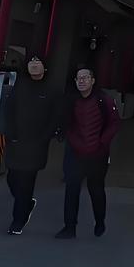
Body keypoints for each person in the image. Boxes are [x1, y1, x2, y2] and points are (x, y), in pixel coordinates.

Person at [54, 66, 118, 239]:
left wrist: (102, 143)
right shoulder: (71, 100)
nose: (81, 81)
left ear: (93, 80)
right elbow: (64, 121)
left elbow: (114, 123)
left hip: (97, 154)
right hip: (75, 153)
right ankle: (69, 227)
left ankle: (100, 221)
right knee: (71, 189)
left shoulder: (103, 100)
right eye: (78, 78)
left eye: (85, 77)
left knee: (96, 189)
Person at [2, 54, 58, 235]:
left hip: (36, 144)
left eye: (38, 62)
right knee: (12, 178)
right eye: (31, 62)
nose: (34, 65)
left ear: (45, 67)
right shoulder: (21, 85)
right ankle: (26, 203)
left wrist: (45, 137)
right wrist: (10, 132)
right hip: (16, 141)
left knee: (26, 182)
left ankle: (18, 221)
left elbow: (55, 116)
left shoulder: (51, 89)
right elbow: (9, 109)